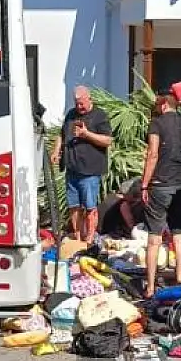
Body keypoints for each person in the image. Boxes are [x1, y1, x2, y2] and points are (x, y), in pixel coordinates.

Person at [141, 92, 181, 297]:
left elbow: (153, 154)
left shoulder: (157, 124)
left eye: (158, 104)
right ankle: (179, 283)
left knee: (154, 238)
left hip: (160, 184)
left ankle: (150, 287)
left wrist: (144, 184)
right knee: (180, 235)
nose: (156, 107)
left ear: (165, 105)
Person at [52, 86, 113, 243]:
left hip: (90, 171)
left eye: (82, 104)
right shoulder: (71, 114)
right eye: (76, 103)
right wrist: (56, 150)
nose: (79, 107)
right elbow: (62, 133)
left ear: (89, 99)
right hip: (71, 169)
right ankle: (78, 237)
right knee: (74, 206)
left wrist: (87, 134)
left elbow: (107, 141)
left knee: (90, 206)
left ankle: (90, 238)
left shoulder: (100, 116)